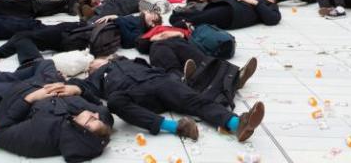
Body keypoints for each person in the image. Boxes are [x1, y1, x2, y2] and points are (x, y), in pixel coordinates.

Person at [71, 55, 266, 142]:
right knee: (114, 101)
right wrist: (70, 84)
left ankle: (237, 123)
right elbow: (80, 87)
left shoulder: (127, 60)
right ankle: (177, 128)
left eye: (93, 63)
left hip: (160, 82)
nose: (91, 65)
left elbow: (153, 68)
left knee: (194, 100)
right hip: (136, 94)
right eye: (90, 66)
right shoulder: (94, 78)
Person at [170, 0, 282, 30]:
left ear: (273, 0)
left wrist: (255, 2)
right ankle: (177, 18)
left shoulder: (271, 6)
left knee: (200, 18)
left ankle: (179, 23)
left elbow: (273, 20)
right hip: (227, 5)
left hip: (234, 14)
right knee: (201, 14)